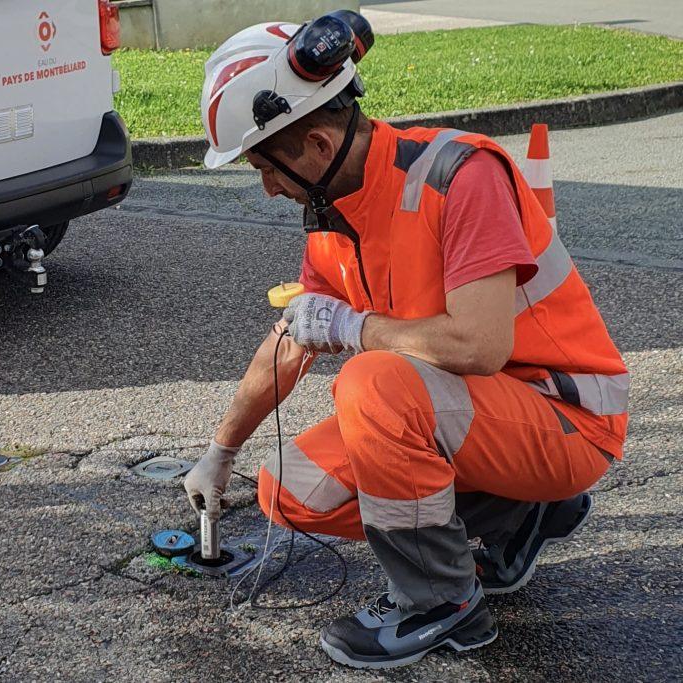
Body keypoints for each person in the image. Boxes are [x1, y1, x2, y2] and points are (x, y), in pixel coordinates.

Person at [183, 11, 628, 670]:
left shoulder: (458, 175)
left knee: (371, 384)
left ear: (313, 144)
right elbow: (292, 336)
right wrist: (222, 450)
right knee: (288, 488)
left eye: (264, 166)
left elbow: (479, 346)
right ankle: (517, 519)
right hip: (482, 421)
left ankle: (442, 601)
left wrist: (357, 328)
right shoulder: (332, 216)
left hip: (568, 418)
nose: (268, 186)